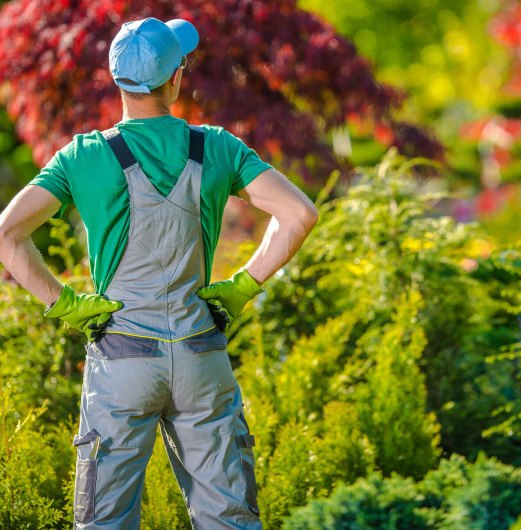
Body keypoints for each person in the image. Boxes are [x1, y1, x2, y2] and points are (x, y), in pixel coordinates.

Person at [0, 16, 318, 529]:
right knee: (229, 519)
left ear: (117, 80)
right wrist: (242, 285)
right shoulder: (217, 146)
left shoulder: (82, 156)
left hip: (120, 361)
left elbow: (6, 233)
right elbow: (300, 214)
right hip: (201, 358)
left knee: (103, 520)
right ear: (176, 79)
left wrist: (65, 303)